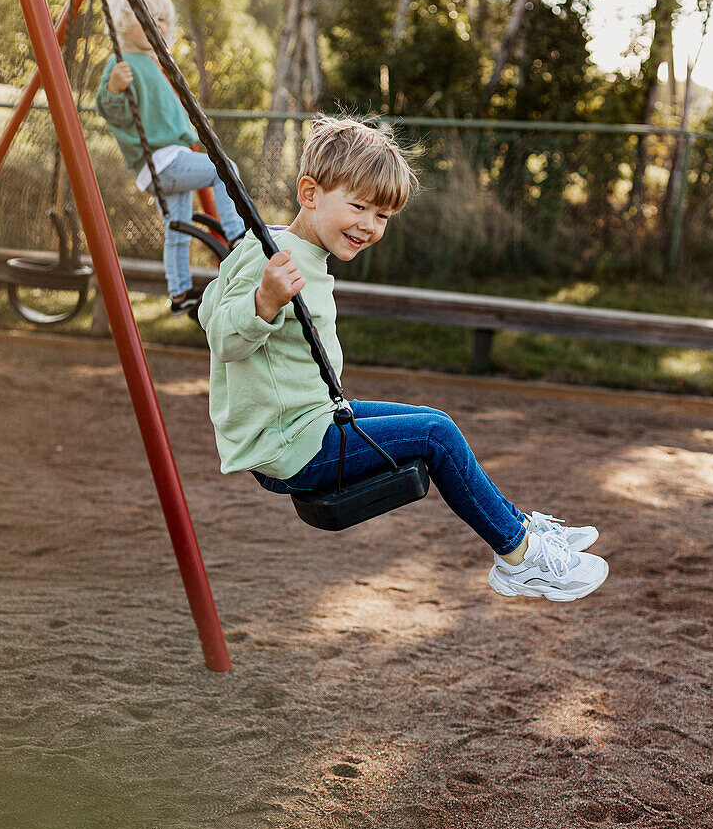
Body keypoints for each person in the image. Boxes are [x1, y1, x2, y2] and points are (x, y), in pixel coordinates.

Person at [198, 116, 609, 601]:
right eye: (359, 207)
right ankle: (519, 557)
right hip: (291, 445)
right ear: (309, 193)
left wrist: (261, 294)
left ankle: (523, 530)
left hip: (310, 420)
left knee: (436, 422)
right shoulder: (275, 257)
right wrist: (263, 302)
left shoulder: (274, 242)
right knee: (437, 435)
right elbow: (221, 334)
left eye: (382, 216)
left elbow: (207, 303)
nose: (369, 226)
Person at [96, 0, 246, 314]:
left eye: (163, 19)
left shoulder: (153, 64)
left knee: (176, 231)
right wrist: (114, 88)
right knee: (225, 169)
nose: (158, 24)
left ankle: (179, 295)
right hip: (160, 162)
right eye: (150, 16)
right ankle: (237, 236)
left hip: (172, 159)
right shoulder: (123, 64)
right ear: (124, 19)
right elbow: (111, 110)